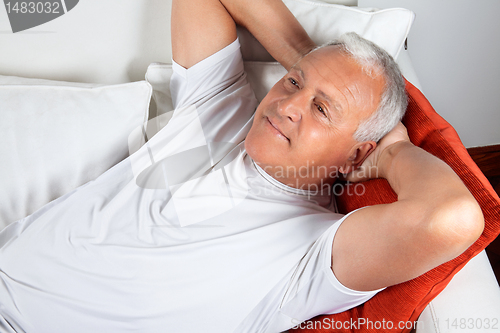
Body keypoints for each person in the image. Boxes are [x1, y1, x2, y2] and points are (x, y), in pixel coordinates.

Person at [0, 0, 483, 332]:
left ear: (357, 153)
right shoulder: (219, 110)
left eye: (321, 110)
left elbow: (453, 219)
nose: (288, 104)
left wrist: (393, 154)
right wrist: (317, 67)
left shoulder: (314, 251)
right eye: (293, 83)